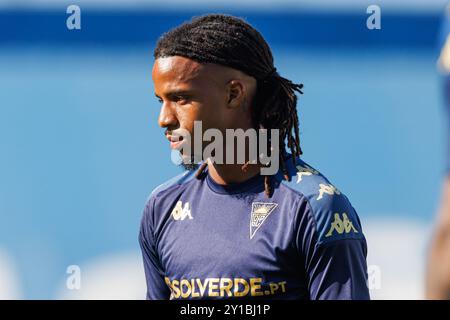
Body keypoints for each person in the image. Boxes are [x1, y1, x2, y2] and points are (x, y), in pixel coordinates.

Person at [139, 14, 369, 300]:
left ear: (234, 94)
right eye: (161, 101)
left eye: (181, 98)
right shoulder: (161, 207)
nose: (164, 119)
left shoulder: (315, 209)